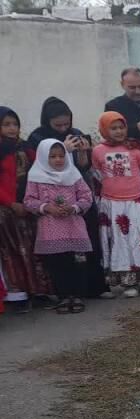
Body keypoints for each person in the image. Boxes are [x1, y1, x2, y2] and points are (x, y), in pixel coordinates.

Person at [28, 97, 109, 298]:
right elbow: (39, 165)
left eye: (67, 124)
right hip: (49, 199)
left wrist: (82, 153)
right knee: (58, 254)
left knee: (88, 241)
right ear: (48, 122)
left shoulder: (77, 134)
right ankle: (65, 293)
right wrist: (63, 150)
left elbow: (83, 168)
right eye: (58, 125)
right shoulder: (38, 137)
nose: (64, 128)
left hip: (76, 193)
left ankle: (94, 286)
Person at [92, 111, 140, 298]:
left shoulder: (136, 149)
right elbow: (97, 177)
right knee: (120, 243)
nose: (118, 131)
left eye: (121, 127)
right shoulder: (98, 151)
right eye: (113, 128)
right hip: (113, 204)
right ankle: (128, 283)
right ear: (104, 130)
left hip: (137, 202)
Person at [23, 139, 93, 314]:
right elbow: (28, 201)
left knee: (76, 262)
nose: (58, 160)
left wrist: (74, 207)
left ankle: (76, 296)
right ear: (42, 157)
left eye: (61, 155)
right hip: (50, 228)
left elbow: (86, 196)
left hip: (73, 226)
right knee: (57, 264)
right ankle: (63, 297)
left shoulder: (73, 175)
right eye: (52, 156)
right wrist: (47, 208)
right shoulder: (36, 177)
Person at [0, 106, 48, 312]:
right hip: (6, 211)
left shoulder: (26, 147)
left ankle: (39, 291)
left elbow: (40, 170)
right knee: (13, 252)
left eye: (15, 124)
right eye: (6, 124)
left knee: (34, 249)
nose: (12, 128)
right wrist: (11, 203)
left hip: (29, 206)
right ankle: (16, 295)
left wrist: (32, 201)